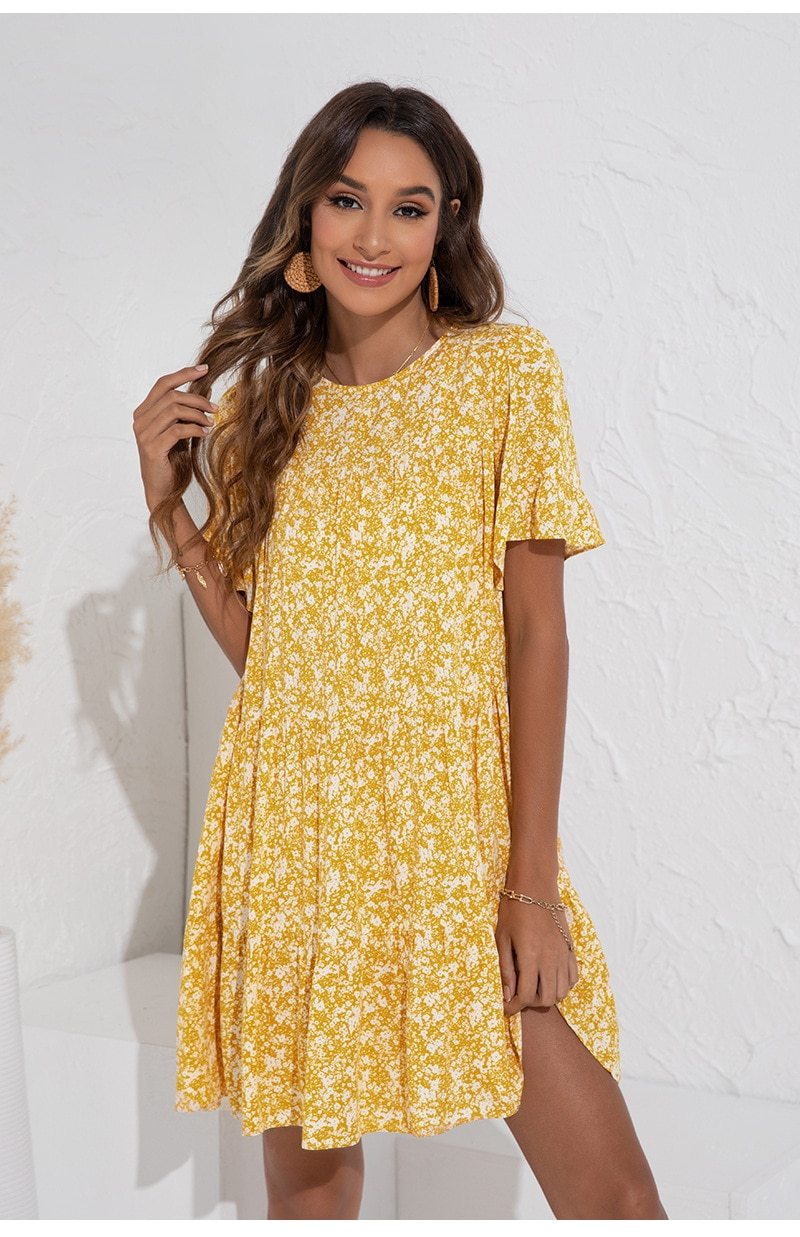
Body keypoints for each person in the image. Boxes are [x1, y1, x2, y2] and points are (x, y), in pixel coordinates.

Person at [133, 81, 667, 1221]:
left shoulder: (503, 376)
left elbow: (538, 632)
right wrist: (173, 514)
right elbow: (275, 661)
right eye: (346, 200)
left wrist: (530, 886)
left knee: (612, 1195)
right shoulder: (261, 411)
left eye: (408, 207)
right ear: (305, 215)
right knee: (309, 1191)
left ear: (445, 224)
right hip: (296, 829)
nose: (372, 235)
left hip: (454, 832)